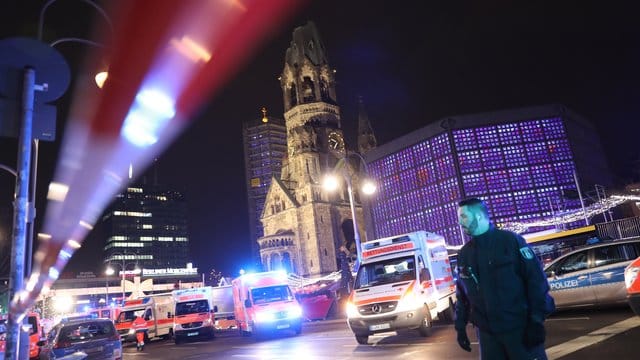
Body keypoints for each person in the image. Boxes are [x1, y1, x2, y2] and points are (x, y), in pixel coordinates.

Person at [455, 197, 554, 360]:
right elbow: (462, 294)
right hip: (488, 336)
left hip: (519, 330)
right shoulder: (464, 253)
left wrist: (536, 321)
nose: (460, 222)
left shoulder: (511, 241)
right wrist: (460, 327)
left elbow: (537, 282)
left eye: (463, 216)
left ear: (478, 216)